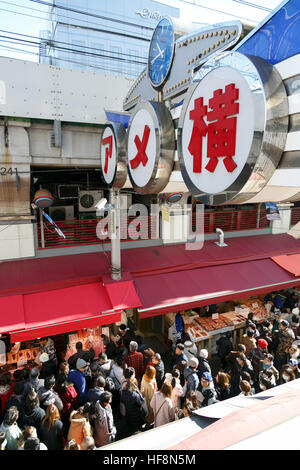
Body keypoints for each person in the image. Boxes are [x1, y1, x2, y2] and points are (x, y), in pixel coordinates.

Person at [120, 367, 146, 435]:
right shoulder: (134, 394)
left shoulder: (123, 388)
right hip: (136, 415)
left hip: (128, 414)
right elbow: (140, 402)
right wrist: (141, 394)